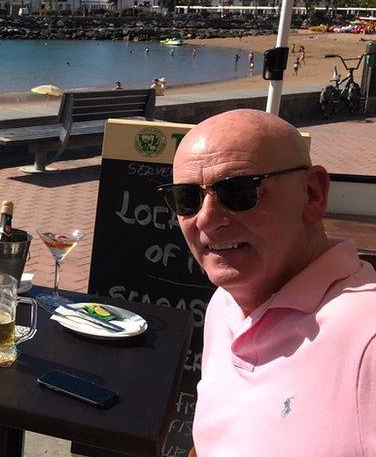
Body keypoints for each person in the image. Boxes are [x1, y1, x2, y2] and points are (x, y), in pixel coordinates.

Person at [160, 110, 376, 455]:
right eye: (187, 198)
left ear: (313, 194)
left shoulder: (367, 341)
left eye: (238, 191)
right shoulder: (225, 305)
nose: (206, 219)